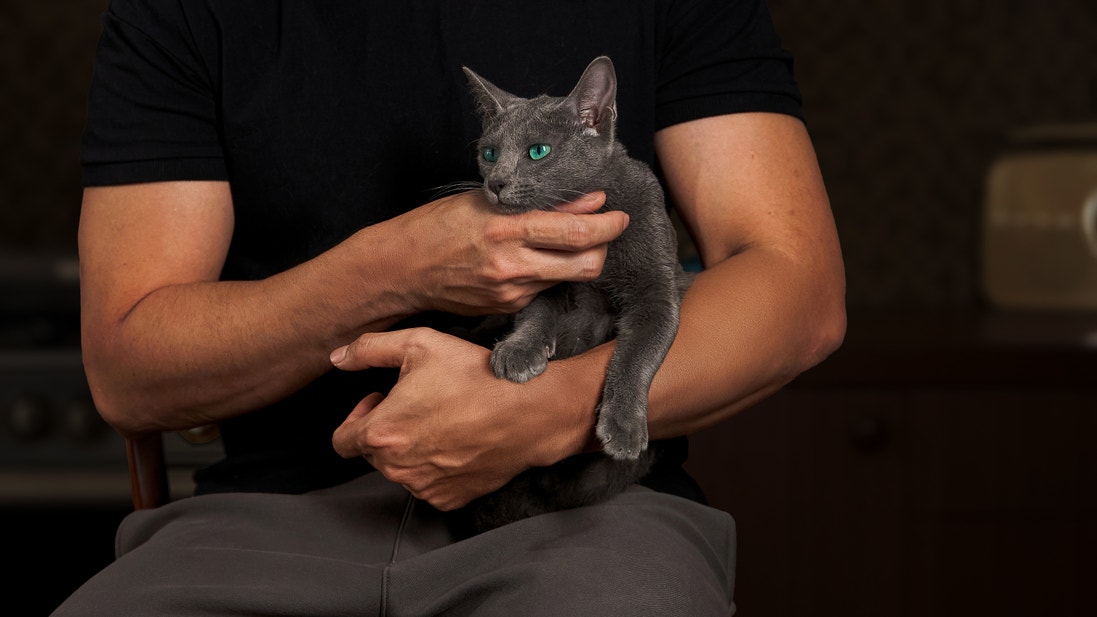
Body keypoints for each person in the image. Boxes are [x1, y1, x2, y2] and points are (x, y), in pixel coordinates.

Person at [55, 0, 845, 615]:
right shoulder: (178, 13)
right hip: (268, 519)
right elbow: (128, 374)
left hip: (586, 513)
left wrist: (545, 411)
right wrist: (392, 269)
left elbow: (798, 287)